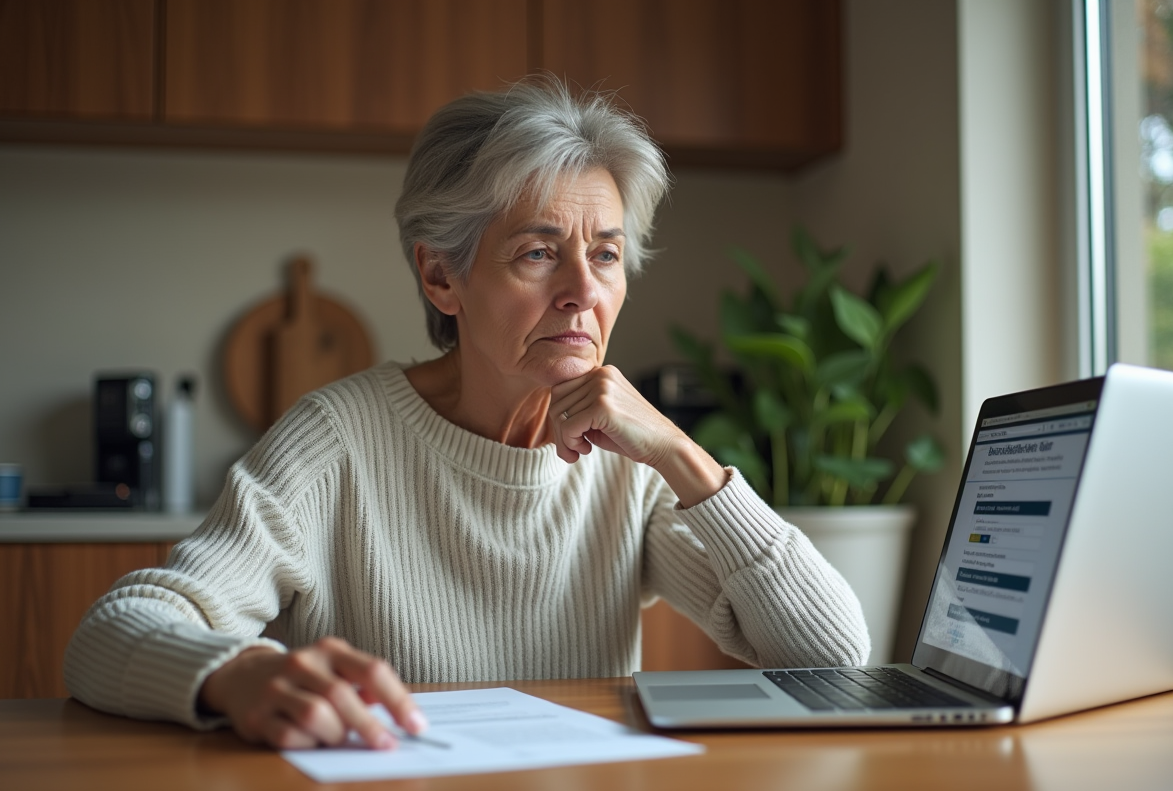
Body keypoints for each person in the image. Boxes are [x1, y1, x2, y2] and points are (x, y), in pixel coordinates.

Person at [64, 78, 870, 752]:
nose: (583, 293)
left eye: (606, 254)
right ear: (441, 278)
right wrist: (236, 673)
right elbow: (112, 633)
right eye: (538, 252)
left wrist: (681, 455)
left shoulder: (631, 461)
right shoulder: (336, 442)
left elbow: (834, 657)